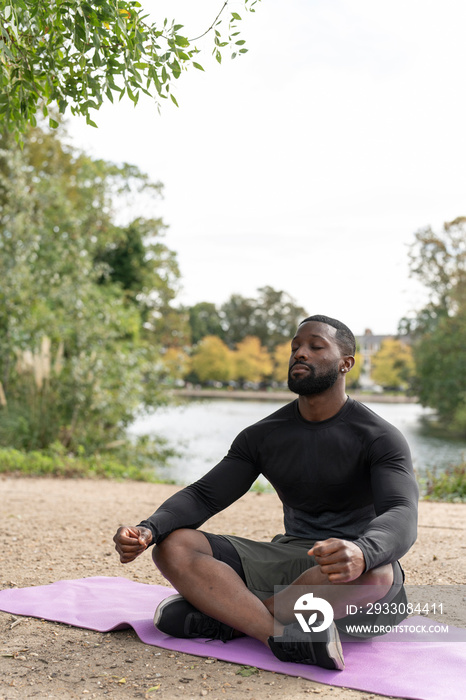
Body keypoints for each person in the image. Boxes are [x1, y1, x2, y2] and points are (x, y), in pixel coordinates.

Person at [113, 315, 418, 670]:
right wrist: (150, 528)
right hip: (287, 556)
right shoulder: (263, 435)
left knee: (378, 573)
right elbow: (204, 496)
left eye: (315, 346)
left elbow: (401, 511)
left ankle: (228, 615)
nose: (299, 353)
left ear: (345, 363)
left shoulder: (379, 437)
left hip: (349, 579)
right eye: (295, 347)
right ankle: (279, 636)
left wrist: (364, 551)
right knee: (174, 545)